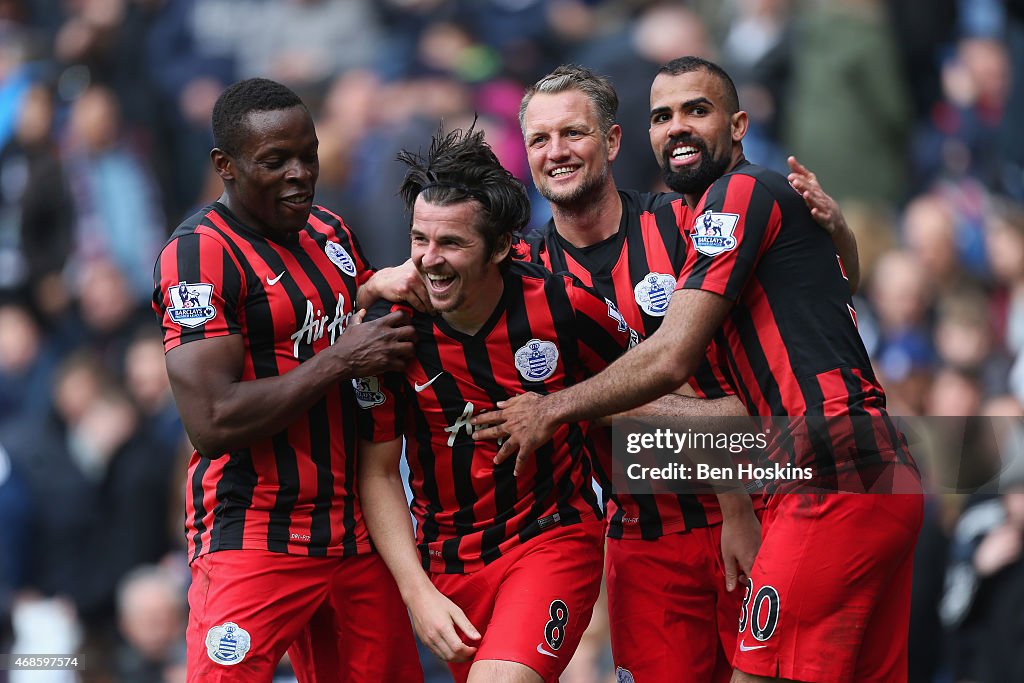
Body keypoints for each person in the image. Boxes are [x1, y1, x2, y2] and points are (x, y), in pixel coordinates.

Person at [477, 57, 922, 683]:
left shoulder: (691, 217)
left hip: (759, 505)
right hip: (647, 535)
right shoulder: (519, 269)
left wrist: (560, 405)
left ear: (610, 140)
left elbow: (737, 355)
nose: (558, 151)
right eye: (540, 139)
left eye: (573, 132)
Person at [152, 78, 424, 683]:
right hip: (255, 534)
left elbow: (306, 314)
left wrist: (373, 286)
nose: (300, 174)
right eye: (275, 162)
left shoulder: (328, 231)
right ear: (225, 166)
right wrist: (341, 360)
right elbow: (213, 421)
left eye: (309, 154)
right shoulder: (198, 257)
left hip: (352, 533)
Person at [355, 124, 639, 683]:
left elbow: (650, 383)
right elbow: (380, 473)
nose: (429, 261)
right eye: (419, 240)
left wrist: (732, 497)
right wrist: (417, 594)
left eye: (452, 243)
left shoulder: (564, 307)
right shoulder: (389, 333)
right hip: (445, 565)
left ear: (503, 246)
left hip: (550, 539)